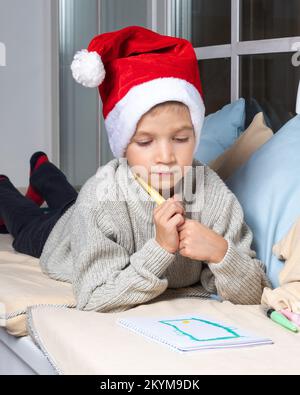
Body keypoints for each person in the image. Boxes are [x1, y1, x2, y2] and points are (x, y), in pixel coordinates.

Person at [0, 26, 271, 312]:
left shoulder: (213, 195)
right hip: (63, 233)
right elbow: (94, 297)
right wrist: (160, 248)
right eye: (145, 141)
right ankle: (8, 185)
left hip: (86, 208)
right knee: (27, 223)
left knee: (70, 201)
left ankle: (44, 172)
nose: (166, 156)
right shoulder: (100, 196)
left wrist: (221, 253)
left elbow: (256, 290)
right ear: (123, 147)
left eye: (180, 139)